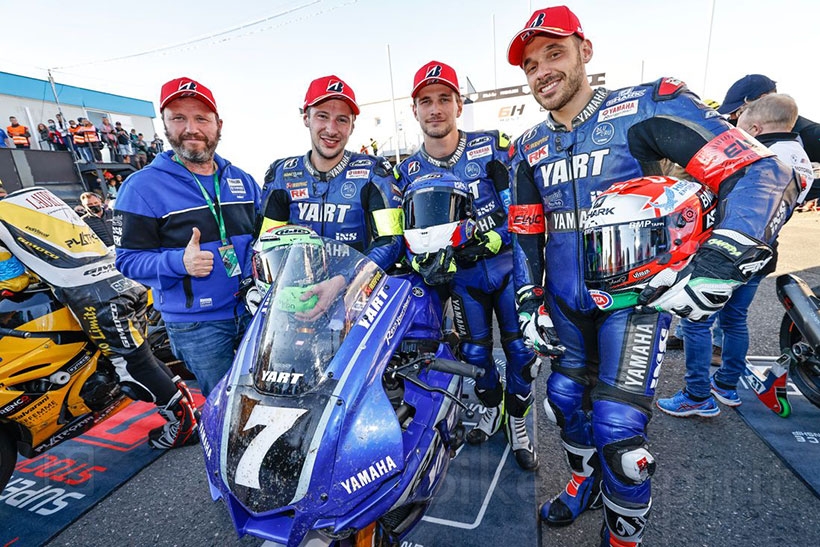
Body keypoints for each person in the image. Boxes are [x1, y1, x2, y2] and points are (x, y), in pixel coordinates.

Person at [505, 6, 799, 545]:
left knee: (619, 432)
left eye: (553, 53)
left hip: (636, 305)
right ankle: (583, 482)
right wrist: (528, 299)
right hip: (565, 305)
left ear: (584, 51)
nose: (542, 70)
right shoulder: (526, 146)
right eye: (530, 64)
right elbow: (525, 230)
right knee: (564, 400)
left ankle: (622, 538)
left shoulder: (646, 105)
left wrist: (721, 259)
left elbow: (762, 170)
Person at [395, 60, 539, 470]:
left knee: (521, 352)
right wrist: (421, 262)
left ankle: (517, 421)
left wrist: (493, 238)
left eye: (444, 99)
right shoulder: (405, 172)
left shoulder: (492, 146)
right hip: (461, 279)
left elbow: (523, 209)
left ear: (459, 104)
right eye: (426, 101)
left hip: (508, 268)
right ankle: (493, 407)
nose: (435, 109)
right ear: (414, 110)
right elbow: (402, 239)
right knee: (475, 356)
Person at [0, 186, 199, 449]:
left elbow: (14, 280)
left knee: (133, 370)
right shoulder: (36, 195)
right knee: (142, 360)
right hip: (120, 278)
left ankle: (184, 427)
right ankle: (189, 413)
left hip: (93, 296)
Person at [659, 93, 815, 417]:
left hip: (726, 252)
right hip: (763, 254)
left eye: (739, 126)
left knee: (697, 320)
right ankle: (726, 384)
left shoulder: (758, 157)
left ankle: (697, 395)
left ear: (756, 128)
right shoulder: (799, 155)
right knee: (734, 320)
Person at [114, 77, 261, 396]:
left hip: (254, 312)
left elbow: (264, 239)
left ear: (218, 125)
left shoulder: (242, 179)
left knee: (266, 398)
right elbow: (126, 261)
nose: (191, 128)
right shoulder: (140, 188)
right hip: (197, 326)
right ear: (165, 124)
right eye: (179, 118)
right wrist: (179, 262)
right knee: (225, 408)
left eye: (201, 118)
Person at [258, 74, 403, 313]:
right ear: (306, 118)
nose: (331, 129)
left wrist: (343, 279)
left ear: (352, 125)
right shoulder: (282, 175)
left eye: (342, 120)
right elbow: (266, 243)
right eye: (322, 116)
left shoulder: (374, 173)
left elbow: (392, 242)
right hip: (297, 302)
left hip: (355, 299)